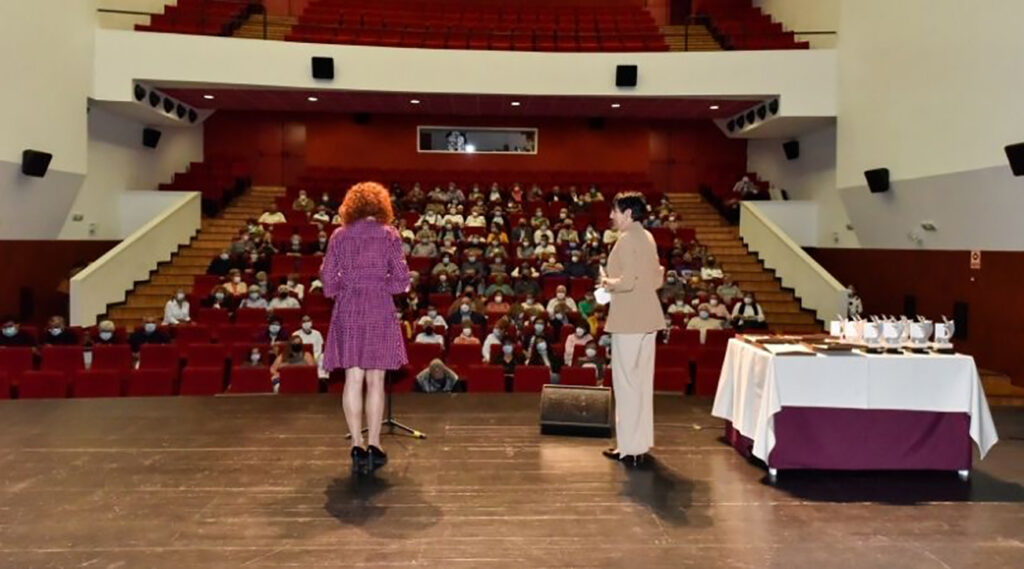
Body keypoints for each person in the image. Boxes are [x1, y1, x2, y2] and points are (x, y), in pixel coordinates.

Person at [321, 182, 411, 474]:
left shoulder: (338, 235)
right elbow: (401, 279)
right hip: (379, 308)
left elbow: (327, 283)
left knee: (353, 378)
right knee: (376, 380)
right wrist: (378, 286)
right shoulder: (390, 235)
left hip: (348, 308)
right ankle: (375, 443)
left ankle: (356, 444)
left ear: (352, 206)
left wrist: (348, 287)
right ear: (382, 206)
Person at [599, 192, 665, 467]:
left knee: (625, 385)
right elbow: (657, 278)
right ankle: (639, 443)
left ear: (627, 213)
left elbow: (626, 282)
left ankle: (627, 447)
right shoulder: (648, 237)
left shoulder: (625, 241)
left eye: (614, 211)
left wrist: (606, 283)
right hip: (649, 318)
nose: (611, 216)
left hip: (628, 320)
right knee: (641, 383)